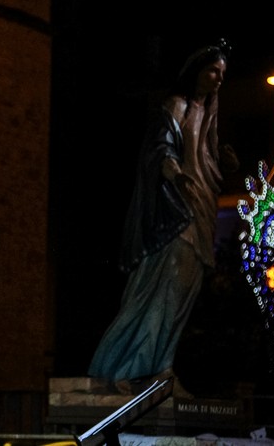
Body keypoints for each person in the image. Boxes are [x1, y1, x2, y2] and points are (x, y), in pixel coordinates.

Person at [87, 40, 239, 396]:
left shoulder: (209, 117)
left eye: (222, 74)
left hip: (201, 211)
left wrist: (223, 162)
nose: (218, 79)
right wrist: (174, 172)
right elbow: (160, 148)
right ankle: (122, 367)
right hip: (176, 213)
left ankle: (161, 367)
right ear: (197, 71)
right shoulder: (177, 106)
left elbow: (206, 159)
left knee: (183, 294)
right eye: (213, 71)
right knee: (160, 289)